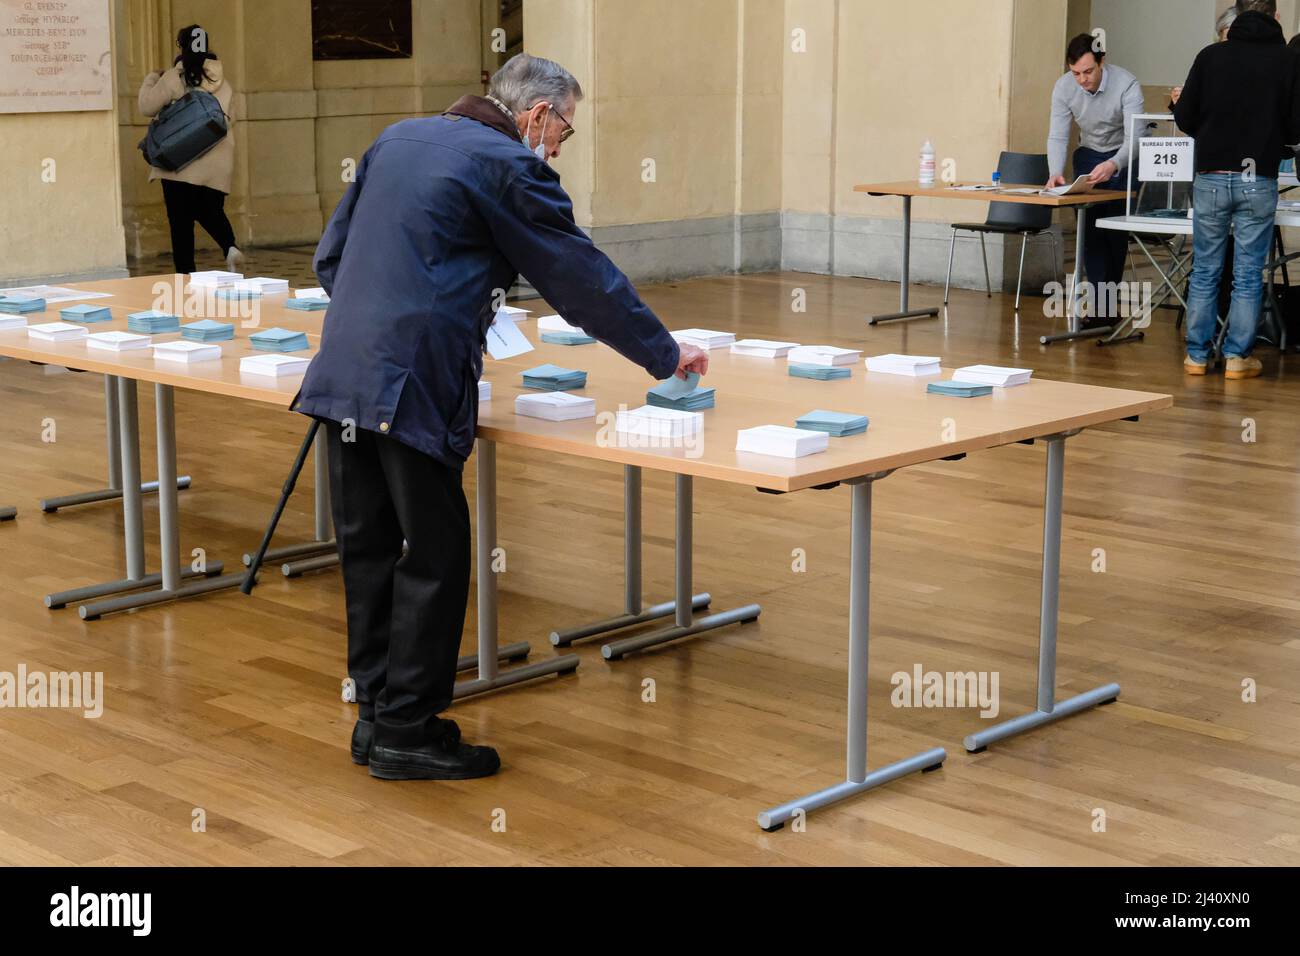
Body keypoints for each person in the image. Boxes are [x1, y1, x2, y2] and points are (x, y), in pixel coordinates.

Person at [292, 54, 709, 781]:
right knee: (436, 553)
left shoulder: (397, 139)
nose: (557, 149)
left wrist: (408, 305)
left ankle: (376, 717)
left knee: (366, 550)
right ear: (537, 117)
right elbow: (579, 280)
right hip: (411, 384)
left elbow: (334, 259)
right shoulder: (509, 167)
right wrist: (662, 351)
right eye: (564, 134)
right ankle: (409, 734)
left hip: (342, 376)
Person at [1174, 0, 1300, 378]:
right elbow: (1295, 129)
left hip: (1211, 174)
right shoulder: (1287, 61)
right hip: (1257, 177)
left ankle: (1196, 355)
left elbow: (1184, 117)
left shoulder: (1211, 56)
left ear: (1238, 13)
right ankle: (1236, 358)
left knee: (1206, 270)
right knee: (1247, 273)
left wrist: (1214, 136)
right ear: (1275, 17)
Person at [1046, 34, 1145, 327]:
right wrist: (1054, 171)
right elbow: (1058, 133)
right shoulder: (1064, 87)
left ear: (1103, 61)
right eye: (1076, 73)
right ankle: (1102, 309)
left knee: (1113, 232)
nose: (1082, 79)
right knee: (1090, 230)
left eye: (1088, 71)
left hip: (1124, 155)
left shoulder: (1126, 83)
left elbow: (1136, 136)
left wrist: (1114, 163)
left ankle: (1106, 307)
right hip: (1089, 153)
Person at [138, 24, 242, 275]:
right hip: (217, 163)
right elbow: (231, 118)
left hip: (179, 162)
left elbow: (147, 107)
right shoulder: (222, 80)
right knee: (210, 210)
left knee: (181, 223)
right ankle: (230, 247)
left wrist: (152, 78)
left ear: (182, 46)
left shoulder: (174, 77)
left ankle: (186, 276)